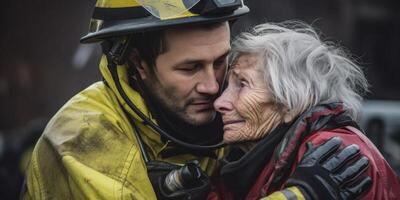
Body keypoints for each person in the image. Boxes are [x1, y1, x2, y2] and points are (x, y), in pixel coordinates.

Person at [22, 1, 371, 199]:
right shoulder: (85, 139)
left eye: (221, 62)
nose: (213, 86)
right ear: (137, 64)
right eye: (190, 68)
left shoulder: (221, 117)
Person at [212, 21, 400, 199]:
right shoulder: (250, 159)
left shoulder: (335, 154)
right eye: (227, 86)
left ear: (290, 103)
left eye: (242, 84)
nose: (220, 102)